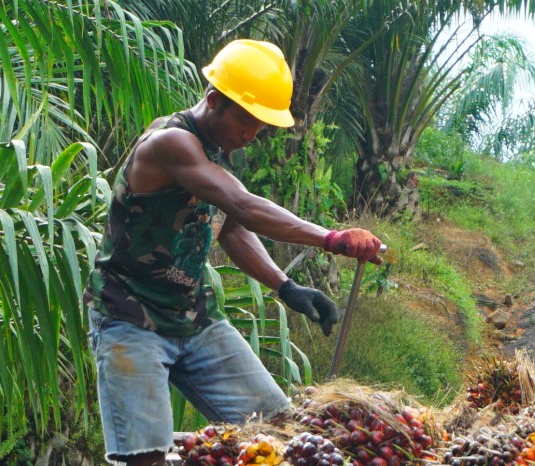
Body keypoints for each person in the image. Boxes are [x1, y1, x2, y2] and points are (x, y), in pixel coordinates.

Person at [83, 39, 383, 466]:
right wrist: (331, 238)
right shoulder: (170, 143)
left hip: (196, 317)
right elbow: (245, 206)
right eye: (246, 121)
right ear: (213, 101)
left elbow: (234, 230)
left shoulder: (219, 151)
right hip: (131, 320)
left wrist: (287, 287)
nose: (251, 135)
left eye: (260, 126)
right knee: (145, 458)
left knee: (282, 432)